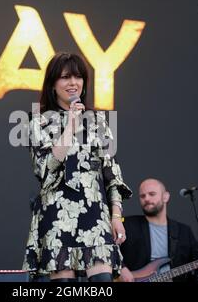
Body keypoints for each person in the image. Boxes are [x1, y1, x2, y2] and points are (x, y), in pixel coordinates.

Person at [22, 52, 133, 282]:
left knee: (102, 281)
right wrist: (70, 125)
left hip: (95, 213)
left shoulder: (99, 121)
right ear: (53, 85)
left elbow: (111, 174)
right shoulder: (37, 122)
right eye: (65, 77)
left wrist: (116, 216)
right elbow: (44, 169)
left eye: (78, 77)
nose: (73, 83)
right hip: (57, 213)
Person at [118, 178, 198, 282]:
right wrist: (121, 268)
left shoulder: (184, 232)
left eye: (152, 194)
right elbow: (108, 248)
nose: (147, 199)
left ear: (166, 196)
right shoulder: (127, 224)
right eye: (142, 196)